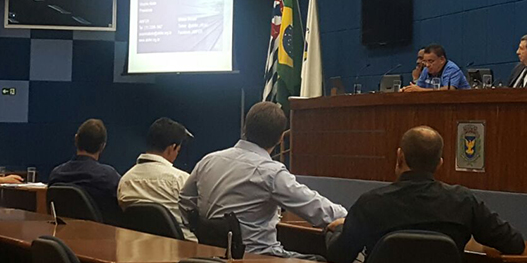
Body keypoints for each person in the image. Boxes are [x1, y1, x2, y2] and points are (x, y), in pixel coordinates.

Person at [325, 126, 525, 263]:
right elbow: (514, 244)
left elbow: (339, 256)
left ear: (399, 157)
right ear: (439, 164)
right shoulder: (463, 201)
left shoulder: (370, 203)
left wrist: (342, 227)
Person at [179, 102, 347, 259]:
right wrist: (350, 218)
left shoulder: (208, 160)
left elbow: (185, 201)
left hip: (211, 255)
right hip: (260, 256)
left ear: (245, 128)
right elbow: (318, 210)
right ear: (280, 138)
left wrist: (202, 230)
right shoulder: (270, 172)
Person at [118, 117, 196, 240]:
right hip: (182, 247)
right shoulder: (182, 180)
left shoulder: (125, 181)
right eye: (178, 151)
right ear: (172, 148)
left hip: (135, 246)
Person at [49, 119, 122, 225]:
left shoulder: (56, 175)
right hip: (101, 234)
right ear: (102, 146)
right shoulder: (109, 177)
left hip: (64, 234)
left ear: (76, 139)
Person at [402, 44, 470, 91]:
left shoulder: (451, 69)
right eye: (425, 61)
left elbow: (449, 90)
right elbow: (418, 87)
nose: (427, 65)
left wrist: (420, 90)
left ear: (442, 59)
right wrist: (408, 89)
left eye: (431, 61)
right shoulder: (426, 70)